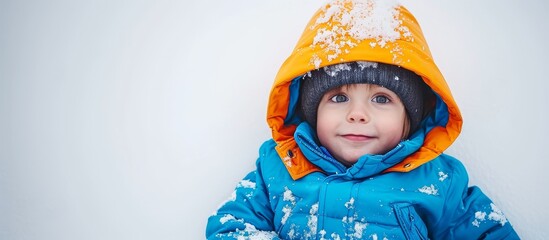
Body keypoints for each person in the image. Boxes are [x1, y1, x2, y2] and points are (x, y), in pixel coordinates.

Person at [206, 0, 519, 239]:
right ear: (313, 112)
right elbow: (230, 226)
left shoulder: (438, 182)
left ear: (409, 116)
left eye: (381, 99)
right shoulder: (280, 167)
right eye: (338, 98)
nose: (357, 114)